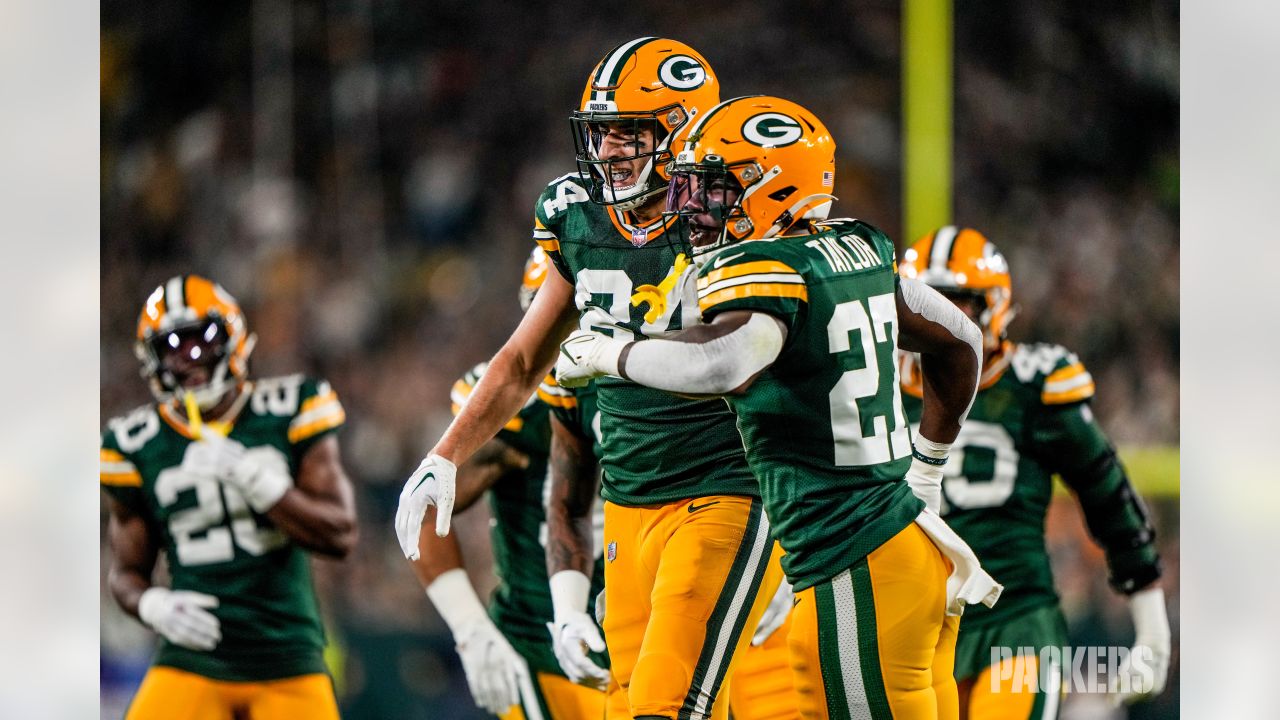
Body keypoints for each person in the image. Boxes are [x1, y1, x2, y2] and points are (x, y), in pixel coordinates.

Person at [554, 95, 1002, 719]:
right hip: (888, 549)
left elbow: (724, 360)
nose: (690, 207)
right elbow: (962, 341)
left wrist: (613, 353)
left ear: (772, 187)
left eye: (710, 187)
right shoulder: (858, 248)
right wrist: (926, 467)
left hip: (855, 560)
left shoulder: (767, 265)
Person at [395, 39, 793, 720]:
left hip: (722, 491)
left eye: (628, 134)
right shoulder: (575, 215)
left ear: (681, 130)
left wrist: (791, 538)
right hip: (631, 512)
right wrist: (446, 453)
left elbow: (802, 377)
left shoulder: (736, 217)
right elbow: (524, 361)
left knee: (668, 707)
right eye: (601, 134)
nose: (607, 152)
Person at [897, 227, 1169, 718]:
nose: (943, 320)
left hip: (1015, 623)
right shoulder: (877, 385)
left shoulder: (1031, 383)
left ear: (994, 307)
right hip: (911, 627)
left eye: (960, 303)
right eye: (929, 302)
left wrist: (1152, 626)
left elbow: (1106, 492)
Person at [101, 275, 356, 719]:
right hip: (192, 659)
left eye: (202, 341)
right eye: (172, 347)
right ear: (152, 359)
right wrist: (151, 604)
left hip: (286, 657)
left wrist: (260, 483)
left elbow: (339, 534)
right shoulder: (133, 443)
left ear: (234, 337)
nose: (189, 359)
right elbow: (125, 571)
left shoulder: (291, 407)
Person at [409, 248, 607, 719]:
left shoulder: (657, 382)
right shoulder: (527, 406)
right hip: (544, 646)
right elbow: (424, 509)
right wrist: (469, 625)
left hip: (641, 638)